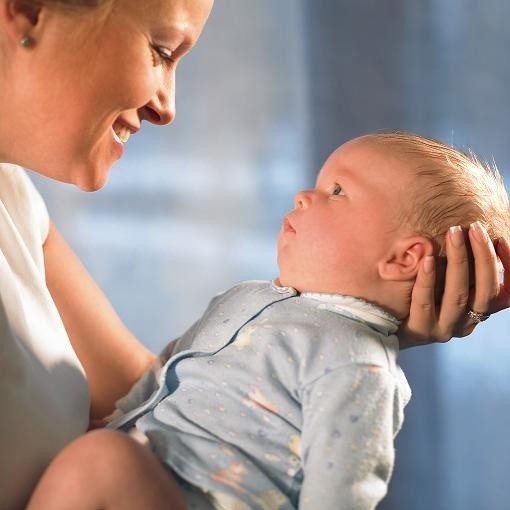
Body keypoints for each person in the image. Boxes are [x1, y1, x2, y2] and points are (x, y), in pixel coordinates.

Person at [0, 0, 508, 507]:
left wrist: (357, 328)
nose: (167, 106)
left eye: (337, 192)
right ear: (27, 11)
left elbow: (158, 397)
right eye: (160, 51)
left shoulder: (17, 207)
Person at [26, 132, 510, 510]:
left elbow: (345, 486)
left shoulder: (358, 365)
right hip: (151, 478)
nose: (303, 195)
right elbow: (167, 370)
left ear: (405, 259)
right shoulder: (245, 298)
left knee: (104, 462)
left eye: (336, 190)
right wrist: (118, 417)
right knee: (101, 456)